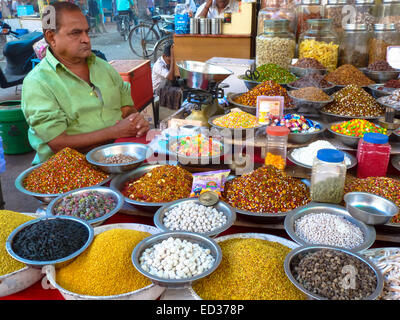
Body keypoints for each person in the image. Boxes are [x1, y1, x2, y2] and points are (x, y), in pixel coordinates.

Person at [21, 2, 150, 165]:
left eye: (87, 31)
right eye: (76, 33)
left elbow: (127, 110)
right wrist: (114, 132)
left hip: (117, 157)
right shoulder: (38, 83)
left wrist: (136, 122)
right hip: (68, 170)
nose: (86, 39)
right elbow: (58, 143)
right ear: (51, 37)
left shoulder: (104, 68)